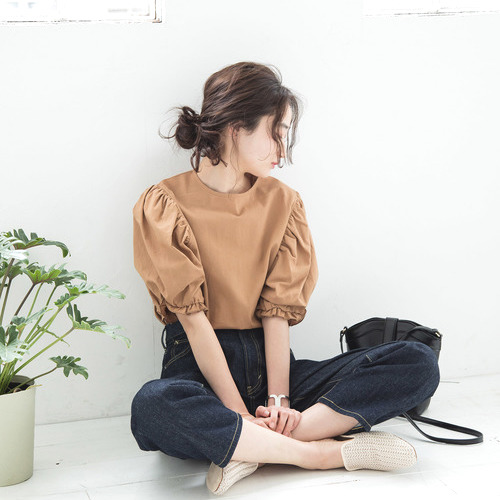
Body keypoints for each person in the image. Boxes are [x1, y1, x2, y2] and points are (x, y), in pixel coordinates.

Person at [130, 61, 440, 495]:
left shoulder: (283, 202)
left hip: (274, 367)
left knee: (417, 361)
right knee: (152, 405)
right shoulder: (164, 203)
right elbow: (195, 325)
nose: (282, 149)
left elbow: (276, 315)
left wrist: (280, 403)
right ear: (236, 127)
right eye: (276, 132)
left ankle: (252, 446)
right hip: (200, 369)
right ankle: (317, 453)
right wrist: (239, 413)